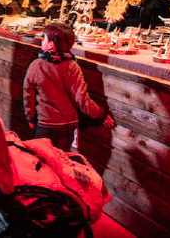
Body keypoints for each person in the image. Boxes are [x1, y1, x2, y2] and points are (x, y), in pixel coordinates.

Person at [23, 23, 114, 152]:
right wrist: (101, 113)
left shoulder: (36, 65)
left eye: (44, 38)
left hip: (45, 124)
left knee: (41, 160)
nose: (42, 41)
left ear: (51, 45)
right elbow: (82, 100)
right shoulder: (72, 66)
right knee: (63, 160)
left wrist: (30, 118)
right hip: (66, 126)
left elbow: (28, 95)